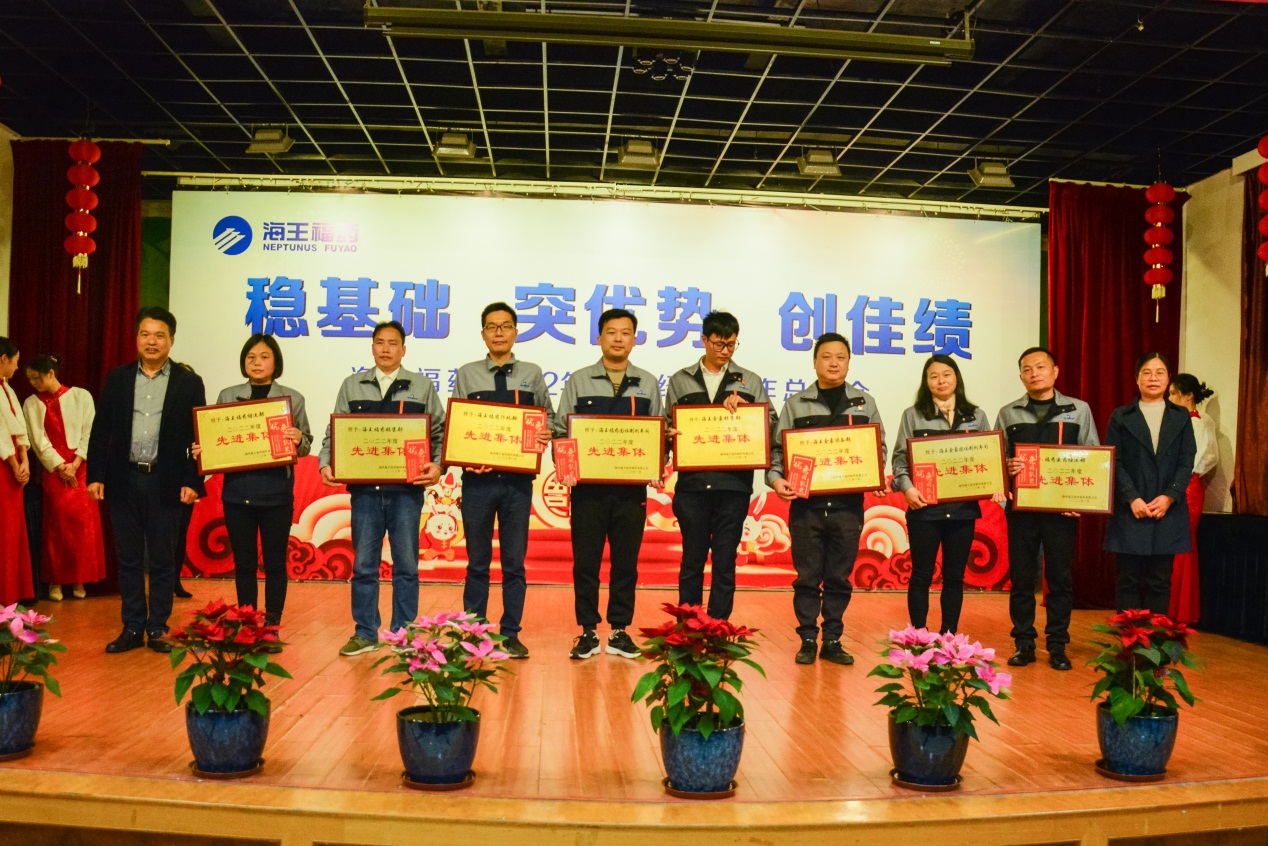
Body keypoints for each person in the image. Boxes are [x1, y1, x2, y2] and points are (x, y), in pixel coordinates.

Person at [319, 320, 444, 657]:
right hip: (365, 494)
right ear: (372, 347)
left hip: (406, 493)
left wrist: (437, 465)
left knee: (406, 566)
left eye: (392, 343)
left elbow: (439, 433)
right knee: (364, 565)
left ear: (403, 349)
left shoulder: (421, 386)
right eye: (379, 342)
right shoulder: (352, 385)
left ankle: (404, 634)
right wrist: (326, 462)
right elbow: (335, 432)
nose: (386, 349)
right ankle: (365, 633)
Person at [88, 307, 206, 654]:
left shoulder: (189, 382)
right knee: (127, 559)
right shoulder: (118, 378)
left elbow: (198, 436)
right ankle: (132, 626)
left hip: (165, 482)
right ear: (136, 338)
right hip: (123, 479)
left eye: (159, 335)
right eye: (145, 334)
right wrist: (95, 474)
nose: (151, 342)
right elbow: (101, 430)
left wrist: (193, 481)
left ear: (171, 340)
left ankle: (158, 628)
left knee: (162, 560)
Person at [768, 333, 885, 666]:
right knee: (807, 578)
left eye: (840, 357)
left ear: (849, 362)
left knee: (839, 578)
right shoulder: (796, 404)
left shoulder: (864, 403)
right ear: (815, 361)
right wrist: (776, 480)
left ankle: (832, 639)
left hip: (848, 507)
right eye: (827, 357)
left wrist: (875, 474)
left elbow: (878, 448)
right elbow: (777, 452)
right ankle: (807, 639)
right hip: (807, 507)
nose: (834, 363)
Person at [554, 308, 663, 661]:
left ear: (635, 339)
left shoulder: (647, 382)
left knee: (625, 563)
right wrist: (566, 468)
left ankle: (619, 630)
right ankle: (587, 631)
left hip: (631, 491)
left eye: (625, 332)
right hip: (587, 490)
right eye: (611, 332)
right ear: (599, 338)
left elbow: (658, 432)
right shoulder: (579, 380)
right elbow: (561, 431)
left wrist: (656, 464)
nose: (618, 338)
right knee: (585, 562)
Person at [453, 302, 554, 659]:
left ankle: (510, 633)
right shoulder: (467, 374)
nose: (499, 332)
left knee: (514, 563)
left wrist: (544, 433)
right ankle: (473, 633)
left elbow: (549, 419)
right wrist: (467, 456)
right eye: (492, 327)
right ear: (483, 333)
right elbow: (458, 427)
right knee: (477, 563)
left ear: (515, 332)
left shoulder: (532, 373)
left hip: (517, 484)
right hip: (478, 483)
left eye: (506, 326)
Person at [192, 335, 312, 634]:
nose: (257, 363)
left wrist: (298, 439)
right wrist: (203, 450)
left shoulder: (292, 398)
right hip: (238, 493)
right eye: (251, 358)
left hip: (276, 493)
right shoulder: (228, 395)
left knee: (274, 562)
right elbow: (215, 438)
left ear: (276, 362)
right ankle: (246, 618)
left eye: (264, 357)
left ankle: (272, 620)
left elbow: (306, 445)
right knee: (244, 562)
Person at [664, 310, 775, 620]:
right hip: (693, 487)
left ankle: (718, 626)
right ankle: (689, 626)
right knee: (692, 560)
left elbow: (771, 424)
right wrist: (668, 435)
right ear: (704, 340)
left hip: (733, 486)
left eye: (731, 344)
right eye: (719, 344)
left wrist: (749, 410)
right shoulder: (680, 379)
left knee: (725, 561)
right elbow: (666, 425)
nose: (725, 351)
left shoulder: (749, 380)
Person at [995, 346, 1099, 671]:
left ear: (1055, 372)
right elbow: (997, 458)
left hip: (1061, 511)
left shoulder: (1078, 410)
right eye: (1027, 369)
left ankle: (1057, 645)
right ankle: (1024, 643)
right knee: (1022, 578)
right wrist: (1007, 466)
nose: (1034, 373)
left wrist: (1080, 501)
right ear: (1021, 376)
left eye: (1041, 367)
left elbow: (1093, 456)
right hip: (1022, 510)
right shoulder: (1009, 413)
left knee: (1059, 578)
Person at [891, 355, 1003, 634]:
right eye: (934, 376)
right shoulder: (913, 415)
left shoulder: (976, 416)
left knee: (954, 577)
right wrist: (907, 488)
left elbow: (988, 458)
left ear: (956, 378)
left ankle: (949, 636)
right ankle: (918, 636)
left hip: (963, 510)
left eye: (946, 374)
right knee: (921, 575)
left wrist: (995, 482)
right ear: (926, 381)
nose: (941, 381)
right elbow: (900, 460)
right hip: (924, 509)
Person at [1104, 353, 1196, 615]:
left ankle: (1154, 639)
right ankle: (1129, 639)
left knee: (1160, 581)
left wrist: (1169, 496)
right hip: (1131, 509)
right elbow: (1114, 460)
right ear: (1137, 379)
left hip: (1168, 509)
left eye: (1160, 372)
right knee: (1128, 580)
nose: (1153, 378)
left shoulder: (1181, 416)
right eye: (1146, 372)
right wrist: (1131, 497)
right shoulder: (1121, 416)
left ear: (1168, 379)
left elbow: (1186, 461)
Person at [22, 354, 107, 601]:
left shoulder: (81, 396)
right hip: (54, 471)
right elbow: (37, 441)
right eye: (30, 379)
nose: (34, 383)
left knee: (82, 525)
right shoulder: (31, 403)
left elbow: (90, 431)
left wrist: (76, 462)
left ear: (51, 373)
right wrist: (60, 466)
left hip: (81, 468)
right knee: (56, 525)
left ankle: (80, 579)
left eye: (37, 378)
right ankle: (56, 580)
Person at [1166, 373, 1217, 624]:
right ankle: (1167, 606)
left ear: (1187, 396)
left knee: (1182, 544)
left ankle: (1180, 609)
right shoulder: (1176, 420)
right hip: (1175, 486)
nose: (1169, 398)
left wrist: (1185, 477)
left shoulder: (1200, 421)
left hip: (1188, 487)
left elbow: (1207, 458)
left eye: (1173, 393)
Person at [0, 337, 34, 606]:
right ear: (3, 359)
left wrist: (25, 459)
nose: (16, 367)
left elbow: (18, 427)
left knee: (13, 529)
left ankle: (11, 593)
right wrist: (13, 462)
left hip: (14, 463)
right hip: (3, 464)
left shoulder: (7, 389)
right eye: (15, 362)